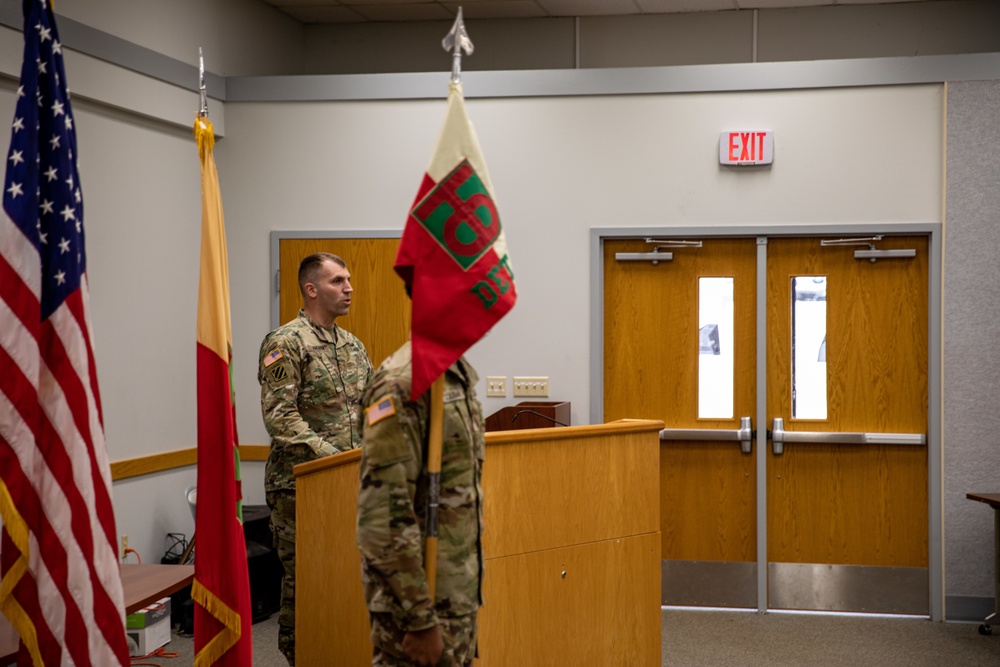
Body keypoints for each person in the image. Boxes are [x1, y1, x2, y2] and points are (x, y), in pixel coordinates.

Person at [258, 252, 374, 665]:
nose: (349, 288)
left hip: (350, 481)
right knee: (306, 580)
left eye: (348, 280)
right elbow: (280, 417)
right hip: (300, 485)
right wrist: (335, 459)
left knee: (344, 575)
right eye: (338, 281)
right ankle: (300, 655)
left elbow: (373, 405)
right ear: (312, 289)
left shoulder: (352, 344)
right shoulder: (285, 342)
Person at [356, 340, 485, 667]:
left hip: (454, 601)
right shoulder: (402, 382)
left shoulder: (454, 371)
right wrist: (420, 620)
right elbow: (382, 523)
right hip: (418, 611)